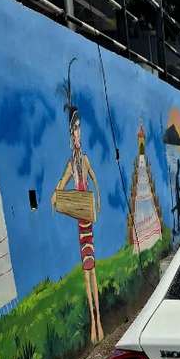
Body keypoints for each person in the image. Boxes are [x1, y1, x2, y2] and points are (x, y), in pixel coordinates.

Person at [52, 66, 103, 344]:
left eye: (79, 129)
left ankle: (99, 319)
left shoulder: (84, 160)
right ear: (70, 134)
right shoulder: (72, 164)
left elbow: (94, 180)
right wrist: (56, 195)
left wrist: (98, 202)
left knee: (93, 271)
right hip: (81, 227)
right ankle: (93, 322)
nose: (77, 134)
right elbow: (61, 183)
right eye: (74, 130)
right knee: (86, 272)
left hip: (89, 223)